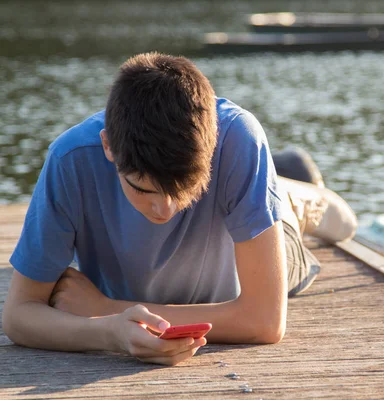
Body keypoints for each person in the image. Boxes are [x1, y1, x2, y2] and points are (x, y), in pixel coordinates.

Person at [2, 52, 356, 366]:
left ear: (213, 146)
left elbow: (264, 321)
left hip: (244, 252)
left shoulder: (238, 138)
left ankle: (290, 198)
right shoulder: (70, 159)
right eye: (143, 189)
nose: (165, 209)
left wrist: (106, 311)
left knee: (343, 223)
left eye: (184, 187)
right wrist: (111, 333)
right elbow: (19, 315)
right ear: (108, 147)